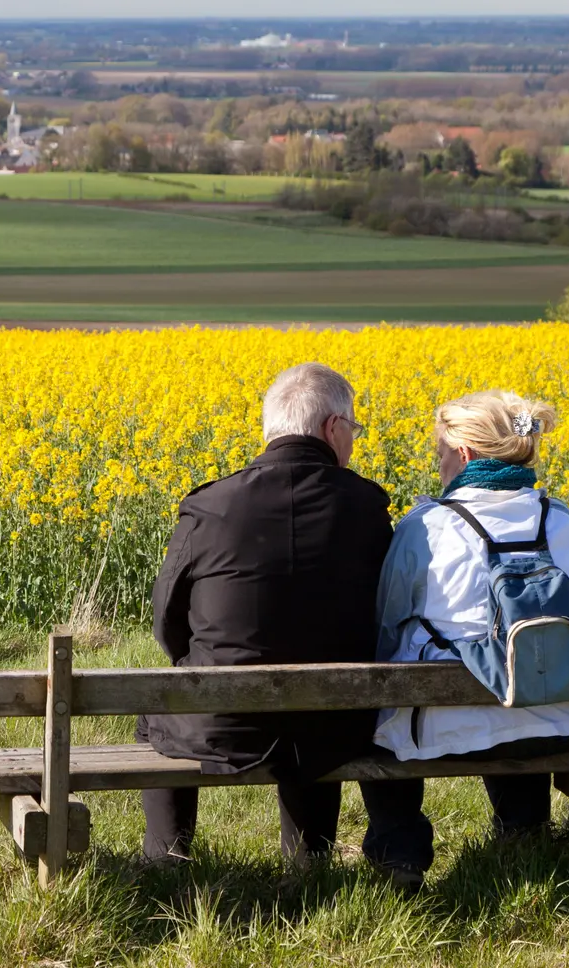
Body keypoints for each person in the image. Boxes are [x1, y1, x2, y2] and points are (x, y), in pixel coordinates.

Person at [138, 362, 412, 872]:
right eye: (352, 428)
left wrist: (199, 665)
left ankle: (166, 859)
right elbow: (386, 612)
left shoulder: (209, 506)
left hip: (222, 723)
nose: (352, 440)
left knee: (157, 707)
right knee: (315, 701)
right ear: (332, 427)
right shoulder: (366, 507)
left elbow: (166, 620)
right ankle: (309, 861)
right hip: (339, 725)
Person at [365, 389, 569, 878]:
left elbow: (387, 621)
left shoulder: (429, 527)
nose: (439, 465)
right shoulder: (563, 520)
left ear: (463, 455)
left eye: (440, 453)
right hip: (564, 725)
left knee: (389, 706)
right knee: (521, 688)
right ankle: (524, 834)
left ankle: (399, 855)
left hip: (449, 731)